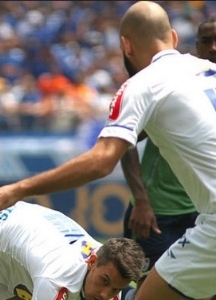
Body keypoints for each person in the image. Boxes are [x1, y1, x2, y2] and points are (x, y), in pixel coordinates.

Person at [0, 2, 216, 300]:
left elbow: (101, 161)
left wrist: (18, 189)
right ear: (174, 38)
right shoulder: (209, 70)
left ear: (125, 45)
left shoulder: (143, 84)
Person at [119, 15, 216, 286]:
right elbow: (124, 142)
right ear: (194, 45)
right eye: (206, 41)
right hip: (156, 214)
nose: (213, 48)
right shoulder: (177, 90)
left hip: (201, 214)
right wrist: (141, 200)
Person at [0, 201, 145, 300]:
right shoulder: (56, 278)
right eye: (105, 281)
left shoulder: (107, 264)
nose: (104, 295)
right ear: (92, 262)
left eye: (116, 289)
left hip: (8, 255)